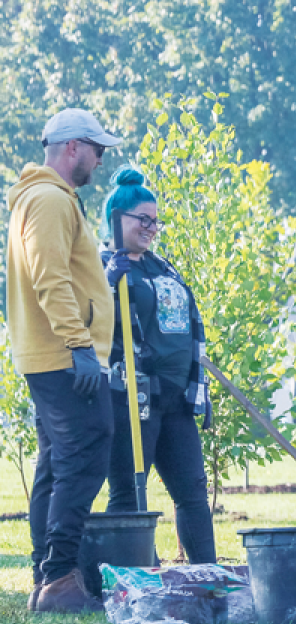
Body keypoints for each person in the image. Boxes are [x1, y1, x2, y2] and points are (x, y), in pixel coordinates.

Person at [7, 108, 121, 613]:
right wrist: (80, 345)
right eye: (97, 149)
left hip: (50, 355)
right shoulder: (51, 200)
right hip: (64, 356)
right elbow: (48, 276)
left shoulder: (42, 199)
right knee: (86, 455)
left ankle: (46, 579)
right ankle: (58, 578)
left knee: (56, 465)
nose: (99, 160)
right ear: (73, 147)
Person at [100, 165, 216, 564]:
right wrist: (106, 284)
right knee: (129, 493)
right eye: (142, 220)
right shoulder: (102, 266)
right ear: (118, 219)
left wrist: (198, 386)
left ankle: (208, 577)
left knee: (193, 493)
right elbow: (86, 317)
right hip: (132, 396)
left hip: (178, 398)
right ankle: (132, 578)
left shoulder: (163, 266)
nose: (151, 228)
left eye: (156, 221)